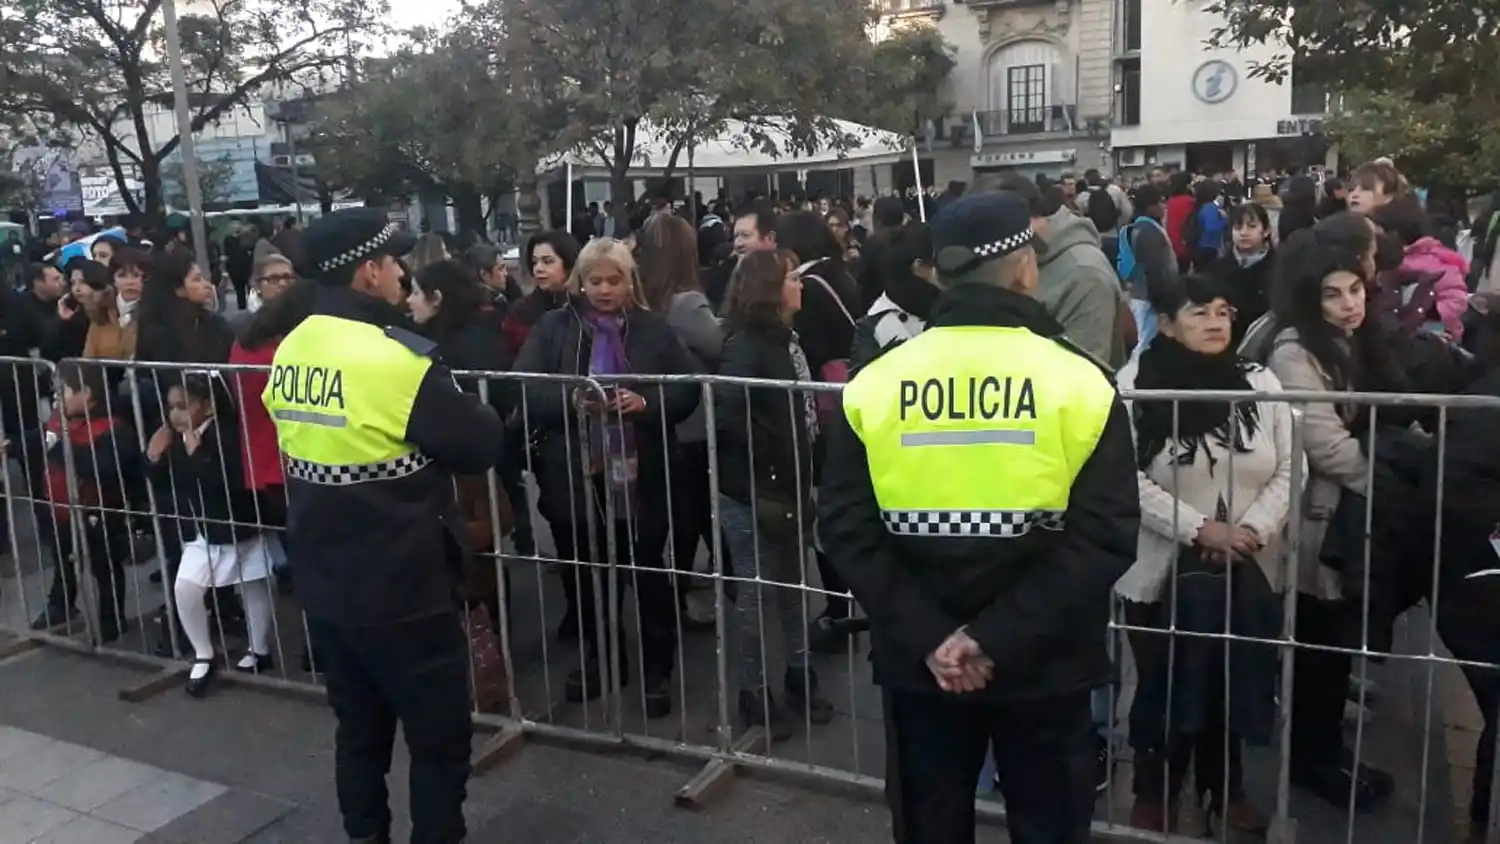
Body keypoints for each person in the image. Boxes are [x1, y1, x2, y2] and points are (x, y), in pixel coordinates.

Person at [819, 191, 1139, 843]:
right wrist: (991, 638)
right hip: (1045, 661)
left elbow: (846, 531)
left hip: (920, 664)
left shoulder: (874, 385)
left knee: (929, 826)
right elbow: (1103, 537)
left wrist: (935, 637)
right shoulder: (1081, 384)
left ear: (938, 274)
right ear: (1025, 269)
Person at [261, 207, 505, 844]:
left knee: (359, 735)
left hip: (326, 581)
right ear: (368, 272)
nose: (400, 272)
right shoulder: (393, 358)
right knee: (438, 742)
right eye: (393, 261)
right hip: (404, 584)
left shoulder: (294, 346)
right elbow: (479, 443)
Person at [1114, 274, 1295, 836]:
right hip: (1159, 570)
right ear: (1167, 323)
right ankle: (1156, 790)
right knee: (1164, 682)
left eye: (1223, 311)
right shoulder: (1136, 387)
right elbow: (1124, 478)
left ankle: (1226, 788)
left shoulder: (1259, 383)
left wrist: (1251, 530)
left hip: (1246, 564)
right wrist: (1199, 530)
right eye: (1199, 313)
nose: (1216, 323)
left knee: (1231, 680)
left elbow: (1291, 467)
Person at [148, 375, 276, 697]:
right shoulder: (178, 439)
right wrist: (153, 457)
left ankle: (260, 649)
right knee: (186, 587)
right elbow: (166, 483)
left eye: (184, 406)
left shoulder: (225, 435)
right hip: (205, 529)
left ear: (207, 406)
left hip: (236, 522)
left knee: (253, 582)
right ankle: (204, 652)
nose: (176, 414)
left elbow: (223, 482)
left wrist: (197, 455)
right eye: (171, 407)